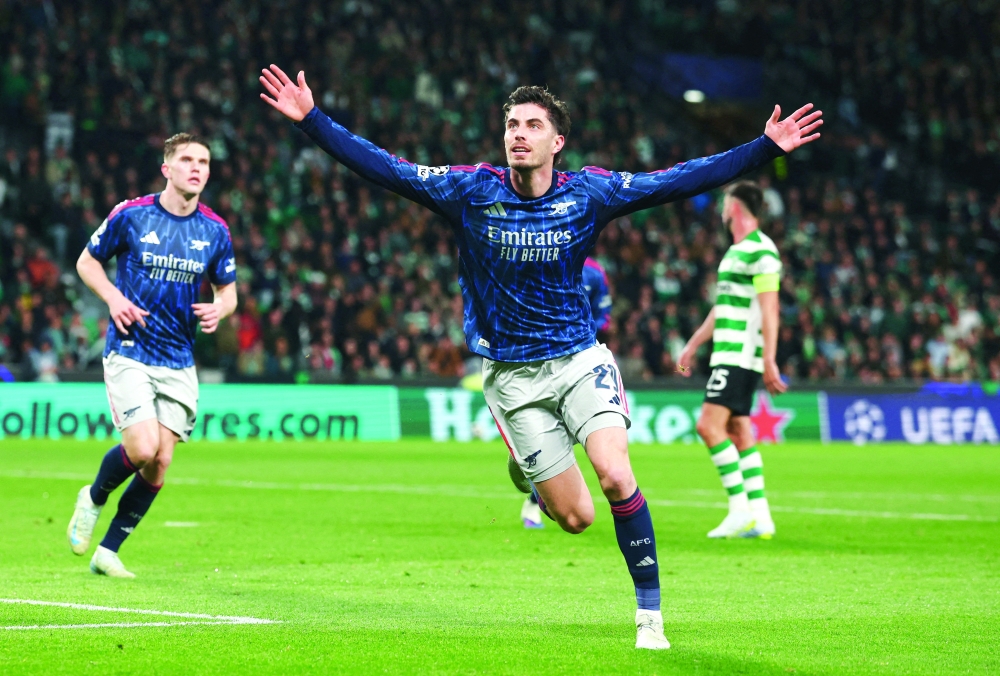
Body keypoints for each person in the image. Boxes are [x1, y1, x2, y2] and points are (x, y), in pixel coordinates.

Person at [260, 64, 821, 649]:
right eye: (511, 124)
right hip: (511, 378)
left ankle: (650, 617)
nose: (518, 134)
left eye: (532, 125)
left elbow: (676, 180)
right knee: (576, 518)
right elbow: (387, 168)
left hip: (579, 359)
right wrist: (312, 120)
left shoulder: (590, 193)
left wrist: (763, 148)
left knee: (615, 473)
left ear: (558, 142)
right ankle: (526, 465)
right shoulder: (470, 191)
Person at [66, 134, 238, 578]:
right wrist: (113, 299)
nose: (196, 168)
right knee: (142, 449)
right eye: (187, 159)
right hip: (131, 348)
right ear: (167, 168)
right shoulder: (132, 214)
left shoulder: (215, 230)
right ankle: (93, 498)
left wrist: (220, 309)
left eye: (203, 161)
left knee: (160, 462)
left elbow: (229, 292)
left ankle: (107, 552)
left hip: (179, 357)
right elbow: (87, 262)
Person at [677, 181, 786, 539]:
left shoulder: (761, 251)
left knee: (708, 427)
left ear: (736, 206)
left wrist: (769, 358)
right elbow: (722, 308)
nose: (722, 207)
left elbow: (770, 308)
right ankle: (762, 517)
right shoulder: (736, 252)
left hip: (740, 354)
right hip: (729, 352)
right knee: (739, 430)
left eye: (726, 200)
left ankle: (740, 510)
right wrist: (693, 344)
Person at [518, 256, 611, 529]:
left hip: (581, 359)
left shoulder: (595, 272)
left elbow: (604, 315)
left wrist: (582, 332)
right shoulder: (542, 256)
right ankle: (538, 496)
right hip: (540, 359)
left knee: (585, 434)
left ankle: (538, 495)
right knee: (555, 431)